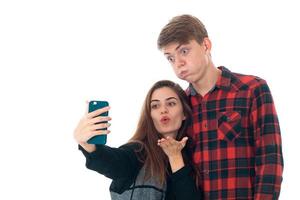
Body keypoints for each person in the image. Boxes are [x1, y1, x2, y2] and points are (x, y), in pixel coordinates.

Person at [157, 14, 283, 199]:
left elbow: (270, 159)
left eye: (184, 51)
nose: (178, 63)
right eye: (170, 58)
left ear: (206, 45)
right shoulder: (180, 106)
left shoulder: (252, 89)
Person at [74, 80, 202, 200]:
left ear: (184, 113)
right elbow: (114, 162)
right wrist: (88, 146)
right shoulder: (138, 151)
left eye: (171, 103)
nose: (163, 110)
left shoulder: (193, 155)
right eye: (155, 106)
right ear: (149, 115)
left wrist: (175, 157)